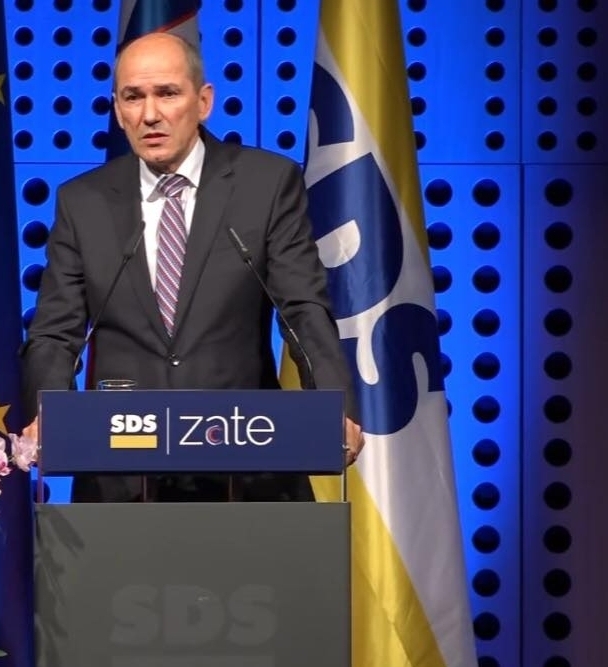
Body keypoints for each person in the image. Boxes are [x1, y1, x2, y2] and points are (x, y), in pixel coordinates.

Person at [19, 31, 364, 502]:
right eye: (133, 97)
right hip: (121, 477)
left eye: (167, 93)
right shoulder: (83, 201)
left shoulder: (265, 184)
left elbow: (302, 310)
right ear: (118, 110)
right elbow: (55, 333)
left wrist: (332, 403)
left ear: (203, 102)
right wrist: (49, 413)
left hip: (247, 467)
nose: (150, 114)